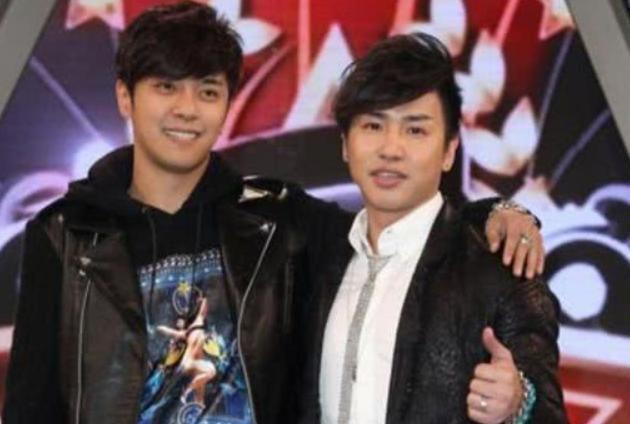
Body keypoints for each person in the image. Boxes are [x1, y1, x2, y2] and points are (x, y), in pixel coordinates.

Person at [3, 3, 546, 424]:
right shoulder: (65, 235)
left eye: (207, 91)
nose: (186, 110)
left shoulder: (274, 223)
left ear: (226, 104)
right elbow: (30, 407)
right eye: (165, 87)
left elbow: (401, 227)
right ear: (126, 97)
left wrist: (498, 211)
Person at [298, 33, 567, 424]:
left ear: (449, 151)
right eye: (373, 125)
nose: (391, 149)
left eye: (415, 130)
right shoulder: (315, 255)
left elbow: (549, 410)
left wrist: (518, 403)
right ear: (345, 144)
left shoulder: (501, 271)